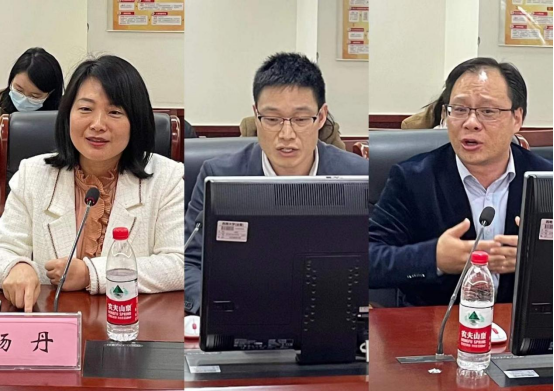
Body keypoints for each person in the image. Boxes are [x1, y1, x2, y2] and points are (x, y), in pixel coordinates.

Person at [185, 52, 368, 314]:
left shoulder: (358, 176)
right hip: (242, 315)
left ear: (321, 117)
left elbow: (376, 259)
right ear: (256, 116)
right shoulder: (219, 175)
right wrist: (217, 308)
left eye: (301, 119)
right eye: (272, 119)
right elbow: (189, 262)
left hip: (331, 315)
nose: (286, 134)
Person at [0, 55, 184, 312]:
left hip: (132, 322)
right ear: (67, 114)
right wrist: (15, 266)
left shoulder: (168, 178)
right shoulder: (33, 173)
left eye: (115, 112)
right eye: (86, 109)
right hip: (51, 323)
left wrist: (91, 274)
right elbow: (5, 247)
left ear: (136, 121)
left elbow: (180, 263)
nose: (97, 125)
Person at [369, 57, 553, 307]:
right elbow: (369, 258)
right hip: (435, 324)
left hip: (521, 323)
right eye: (459, 110)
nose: (471, 123)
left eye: (488, 111)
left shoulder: (545, 180)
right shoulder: (413, 179)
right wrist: (434, 258)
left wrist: (543, 258)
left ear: (517, 118)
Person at [0, 47, 64, 115]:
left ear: (51, 93)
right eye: (19, 90)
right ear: (11, 79)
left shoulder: (64, 113)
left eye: (34, 96)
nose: (23, 101)